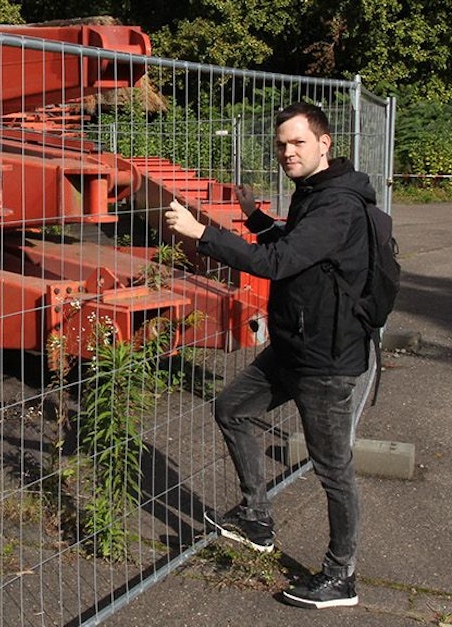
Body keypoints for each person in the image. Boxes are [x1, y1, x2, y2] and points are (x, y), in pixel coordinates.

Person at [162, 101, 376, 610]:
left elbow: (280, 262)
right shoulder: (316, 192)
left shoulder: (338, 205)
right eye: (281, 144)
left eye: (298, 142)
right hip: (294, 345)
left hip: (325, 359)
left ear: (324, 143)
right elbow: (298, 246)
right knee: (232, 408)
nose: (287, 152)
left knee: (333, 470)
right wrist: (255, 216)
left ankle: (341, 577)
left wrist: (204, 235)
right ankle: (256, 518)